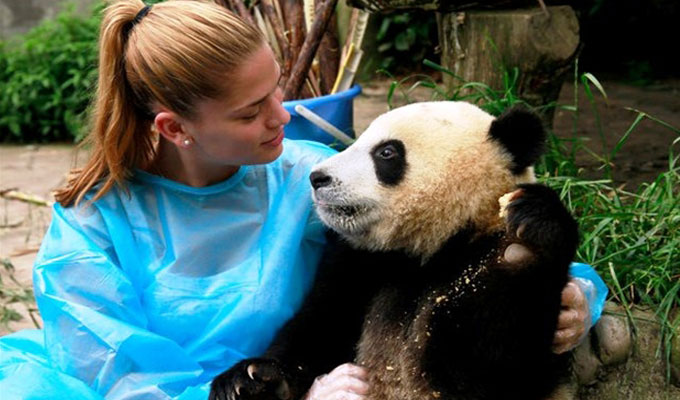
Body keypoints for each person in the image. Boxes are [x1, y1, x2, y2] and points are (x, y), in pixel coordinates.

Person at [0, 1, 607, 399]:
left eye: (275, 92)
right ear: (173, 129)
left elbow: (453, 228)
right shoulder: (90, 226)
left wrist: (576, 287)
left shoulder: (304, 175)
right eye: (250, 111)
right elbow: (118, 379)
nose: (282, 117)